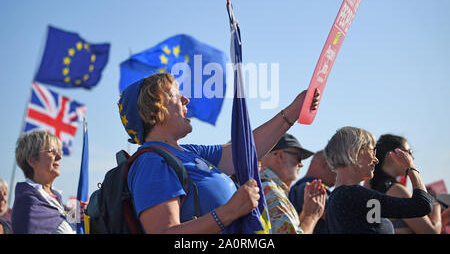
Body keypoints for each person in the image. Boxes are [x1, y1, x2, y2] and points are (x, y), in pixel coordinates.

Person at [118, 73, 320, 234]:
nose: (186, 99)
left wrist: (294, 110)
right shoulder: (151, 162)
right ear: (153, 111)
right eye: (175, 95)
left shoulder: (188, 153)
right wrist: (229, 211)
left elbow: (245, 151)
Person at [323, 126, 434, 234]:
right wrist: (411, 168)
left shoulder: (338, 197)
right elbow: (422, 205)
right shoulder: (353, 195)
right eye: (372, 151)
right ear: (354, 152)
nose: (376, 159)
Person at [369, 134, 442, 234]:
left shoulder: (369, 185)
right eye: (409, 152)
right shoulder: (396, 190)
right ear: (391, 155)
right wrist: (436, 206)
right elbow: (431, 232)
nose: (412, 158)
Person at [260, 133, 326, 234]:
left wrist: (305, 213)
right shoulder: (272, 193)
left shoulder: (261, 186)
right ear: (280, 156)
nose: (301, 164)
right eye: (298, 158)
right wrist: (311, 217)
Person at [11, 131, 76, 234]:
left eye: (59, 151)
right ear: (32, 160)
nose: (59, 156)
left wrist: (79, 215)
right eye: (52, 151)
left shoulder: (53, 198)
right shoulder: (28, 203)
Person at [289, 150, 336, 234]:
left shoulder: (298, 187)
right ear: (325, 164)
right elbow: (341, 218)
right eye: (338, 168)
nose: (338, 174)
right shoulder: (314, 189)